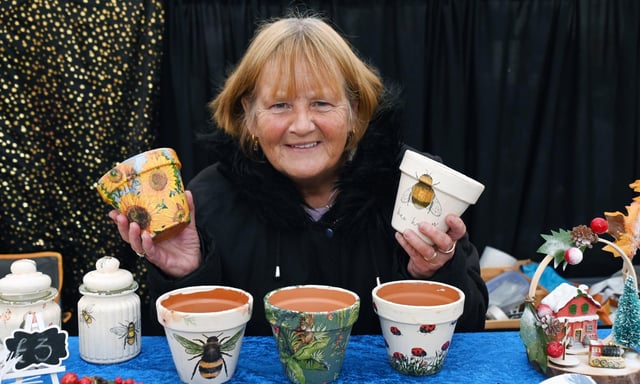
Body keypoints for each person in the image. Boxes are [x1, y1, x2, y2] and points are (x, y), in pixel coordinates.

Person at [110, 12, 488, 336]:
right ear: (250, 116)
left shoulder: (413, 186)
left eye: (321, 103)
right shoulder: (209, 200)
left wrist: (439, 272)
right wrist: (186, 276)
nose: (302, 125)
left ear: (355, 112)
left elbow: (470, 332)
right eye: (280, 105)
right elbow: (182, 357)